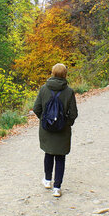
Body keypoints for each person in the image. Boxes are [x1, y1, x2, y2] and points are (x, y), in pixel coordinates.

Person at [32, 63, 78, 197]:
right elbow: (73, 113)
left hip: (46, 129)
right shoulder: (69, 91)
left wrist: (44, 119)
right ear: (65, 75)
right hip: (62, 130)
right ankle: (57, 188)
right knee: (60, 158)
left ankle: (47, 181)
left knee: (48, 153)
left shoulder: (44, 89)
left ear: (52, 73)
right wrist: (66, 123)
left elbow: (36, 108)